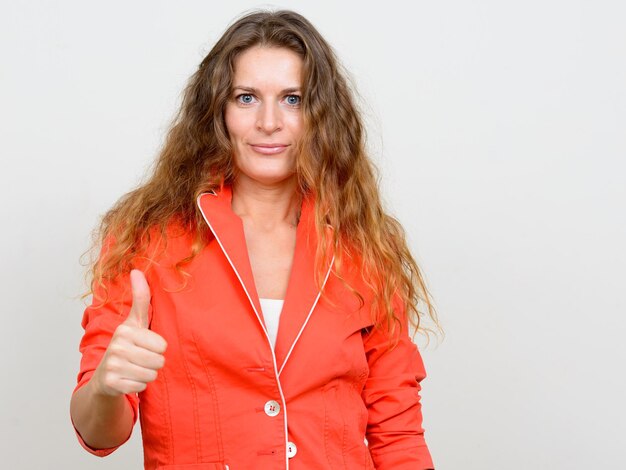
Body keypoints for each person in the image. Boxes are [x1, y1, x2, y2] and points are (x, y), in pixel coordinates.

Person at [70, 9, 439, 470]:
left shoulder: (363, 247)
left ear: (321, 115)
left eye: (293, 99)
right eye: (246, 98)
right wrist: (107, 385)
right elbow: (98, 432)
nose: (269, 121)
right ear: (217, 111)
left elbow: (398, 436)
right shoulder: (147, 238)